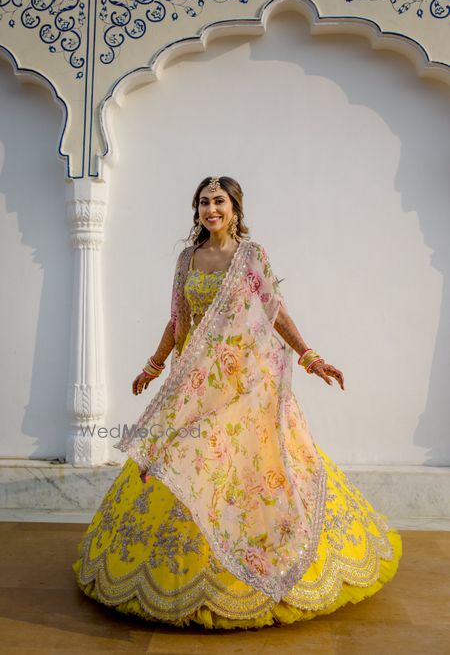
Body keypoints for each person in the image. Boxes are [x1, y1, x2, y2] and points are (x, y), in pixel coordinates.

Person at [72, 175, 402, 629]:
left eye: (219, 201)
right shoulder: (189, 258)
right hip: (198, 382)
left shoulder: (251, 256)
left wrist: (311, 357)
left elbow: (274, 310)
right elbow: (178, 320)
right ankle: (178, 577)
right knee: (182, 458)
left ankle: (258, 573)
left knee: (248, 466)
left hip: (246, 384)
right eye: (205, 202)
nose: (212, 209)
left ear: (235, 208)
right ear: (197, 210)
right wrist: (153, 368)